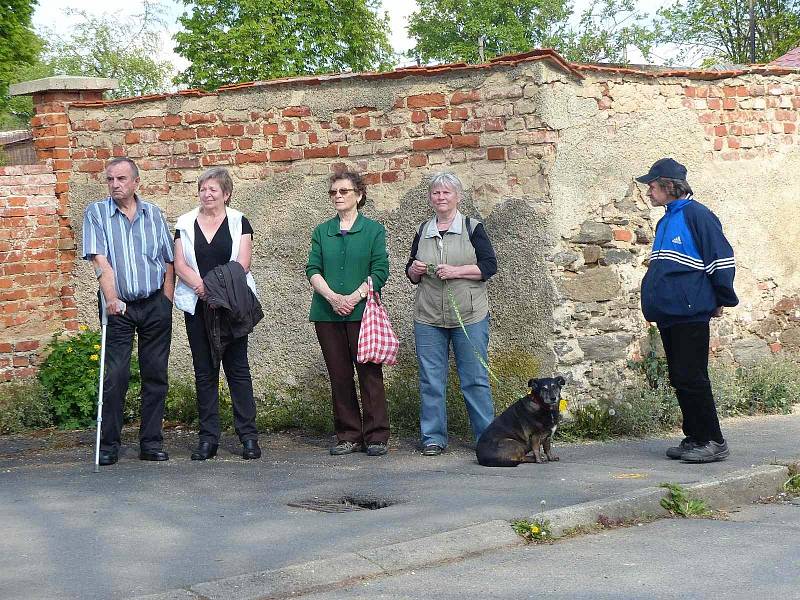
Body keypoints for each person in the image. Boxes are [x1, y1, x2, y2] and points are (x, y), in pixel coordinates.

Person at [637, 158, 738, 463]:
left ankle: (713, 440)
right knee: (680, 376)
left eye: (652, 186)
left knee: (692, 375)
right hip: (670, 312)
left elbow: (721, 259)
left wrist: (722, 298)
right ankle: (694, 436)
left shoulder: (698, 215)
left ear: (668, 185)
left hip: (690, 310)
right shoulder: (666, 219)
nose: (649, 192)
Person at [82, 157, 175, 466]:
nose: (115, 184)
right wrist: (111, 298)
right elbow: (100, 261)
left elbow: (168, 260)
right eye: (110, 179)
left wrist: (167, 298)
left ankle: (151, 442)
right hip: (118, 305)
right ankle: (108, 444)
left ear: (136, 182)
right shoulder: (96, 213)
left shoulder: (154, 214)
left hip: (153, 304)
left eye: (121, 179)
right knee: (116, 375)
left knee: (155, 374)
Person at [406, 172, 498, 456]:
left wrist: (457, 271)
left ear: (457, 197)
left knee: (474, 378)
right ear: (430, 198)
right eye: (436, 193)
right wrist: (415, 270)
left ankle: (487, 438)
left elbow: (489, 266)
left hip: (469, 315)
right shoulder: (423, 230)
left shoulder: (472, 228)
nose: (441, 197)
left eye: (446, 193)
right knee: (431, 379)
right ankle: (433, 438)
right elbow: (410, 273)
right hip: (429, 316)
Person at [173, 167, 262, 461]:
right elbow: (180, 263)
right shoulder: (185, 223)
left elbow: (243, 263)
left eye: (213, 189)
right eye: (203, 189)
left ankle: (248, 436)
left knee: (238, 370)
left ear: (226, 193)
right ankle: (208, 439)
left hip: (232, 305)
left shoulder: (239, 221)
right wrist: (202, 288)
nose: (207, 194)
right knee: (204, 372)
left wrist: (216, 291)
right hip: (198, 305)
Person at [306, 172, 390, 457]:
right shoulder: (322, 231)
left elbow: (380, 271)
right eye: (333, 192)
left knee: (369, 374)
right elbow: (312, 269)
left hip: (362, 314)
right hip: (327, 314)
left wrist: (353, 298)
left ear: (359, 195)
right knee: (339, 376)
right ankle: (349, 435)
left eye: (344, 191)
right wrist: (332, 298)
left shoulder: (373, 231)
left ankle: (376, 436)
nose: (338, 196)